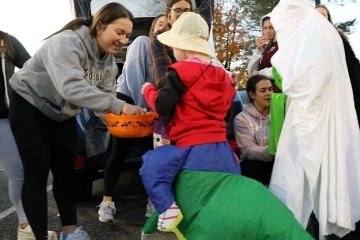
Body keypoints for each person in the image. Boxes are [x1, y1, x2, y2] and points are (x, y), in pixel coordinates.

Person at [8, 3, 146, 240]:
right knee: (37, 173)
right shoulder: (67, 43)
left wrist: (124, 123)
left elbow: (105, 101)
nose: (124, 40)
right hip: (30, 104)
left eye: (128, 36)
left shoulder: (109, 64)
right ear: (100, 26)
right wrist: (121, 106)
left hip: (63, 112)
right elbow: (72, 88)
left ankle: (70, 233)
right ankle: (39, 236)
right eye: (120, 32)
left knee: (66, 173)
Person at [140, 12, 240, 232]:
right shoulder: (224, 77)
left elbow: (162, 106)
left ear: (182, 47)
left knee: (150, 166)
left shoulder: (181, 71)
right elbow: (225, 112)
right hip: (222, 151)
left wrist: (148, 90)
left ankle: (168, 209)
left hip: (189, 147)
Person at [268, 0, 360, 238]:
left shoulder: (313, 33)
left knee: (305, 179)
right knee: (324, 179)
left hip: (314, 116)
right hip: (324, 115)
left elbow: (308, 80)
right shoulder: (324, 32)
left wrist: (287, 80)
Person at [97, 14, 166, 223]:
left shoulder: (167, 52)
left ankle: (152, 203)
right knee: (119, 152)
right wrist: (139, 109)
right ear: (153, 28)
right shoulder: (142, 42)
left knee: (150, 157)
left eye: (167, 24)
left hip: (148, 106)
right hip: (129, 101)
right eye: (159, 24)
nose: (164, 27)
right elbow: (135, 76)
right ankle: (106, 202)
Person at [0, 31, 57, 240]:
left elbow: (33, 68)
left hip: (4, 118)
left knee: (19, 173)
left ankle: (26, 227)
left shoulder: (5, 41)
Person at [315, 4, 360, 126]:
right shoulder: (308, 37)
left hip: (340, 82)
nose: (321, 18)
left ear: (328, 18)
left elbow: (351, 60)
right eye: (317, 15)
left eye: (324, 15)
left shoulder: (338, 36)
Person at [233, 74, 274, 186]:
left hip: (277, 160)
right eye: (263, 90)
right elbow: (248, 149)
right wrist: (270, 151)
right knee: (255, 168)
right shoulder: (241, 119)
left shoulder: (279, 114)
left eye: (270, 89)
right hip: (253, 164)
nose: (268, 94)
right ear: (252, 94)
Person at [247, 14, 280, 92]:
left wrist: (260, 73)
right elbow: (251, 72)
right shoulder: (266, 46)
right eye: (265, 28)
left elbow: (282, 70)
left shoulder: (282, 43)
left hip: (277, 91)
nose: (267, 31)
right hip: (261, 91)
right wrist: (258, 50)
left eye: (271, 28)